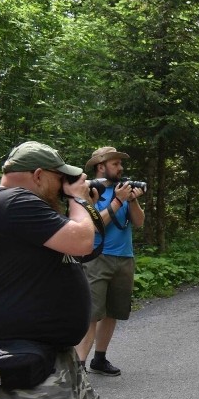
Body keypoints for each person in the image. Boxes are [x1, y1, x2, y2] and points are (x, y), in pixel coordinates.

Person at [0, 141, 106, 399]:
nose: (65, 186)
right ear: (38, 175)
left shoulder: (10, 205)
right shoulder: (14, 201)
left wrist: (77, 205)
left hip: (50, 351)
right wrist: (79, 201)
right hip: (25, 354)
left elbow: (77, 248)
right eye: (60, 179)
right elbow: (82, 240)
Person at [76, 146, 145, 377]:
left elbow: (138, 222)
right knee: (92, 313)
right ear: (101, 166)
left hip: (125, 257)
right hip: (97, 257)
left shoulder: (122, 190)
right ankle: (79, 365)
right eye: (116, 164)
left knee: (112, 311)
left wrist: (132, 201)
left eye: (120, 164)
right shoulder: (88, 190)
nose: (121, 168)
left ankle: (100, 359)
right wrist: (117, 201)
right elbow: (93, 224)